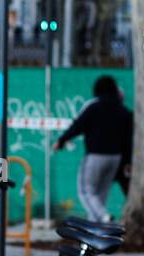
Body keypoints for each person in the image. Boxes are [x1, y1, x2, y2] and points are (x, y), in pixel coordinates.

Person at [54, 75, 133, 222]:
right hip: (116, 158)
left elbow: (77, 126)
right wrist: (127, 160)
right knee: (102, 194)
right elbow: (128, 139)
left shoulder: (94, 107)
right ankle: (96, 230)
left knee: (86, 191)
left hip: (95, 156)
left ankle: (103, 216)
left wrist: (61, 140)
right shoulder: (124, 111)